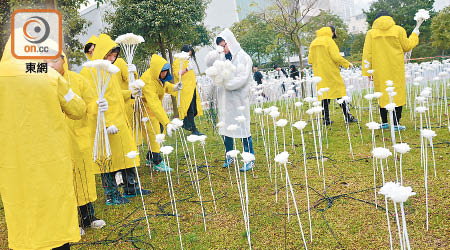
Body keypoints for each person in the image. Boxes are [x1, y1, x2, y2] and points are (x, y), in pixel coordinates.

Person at [0, 37, 86, 250]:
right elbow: (78, 109)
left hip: (12, 163)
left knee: (20, 205)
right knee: (54, 210)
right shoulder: (48, 76)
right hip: (51, 161)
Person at [80, 34, 150, 205]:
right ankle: (111, 194)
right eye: (109, 55)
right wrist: (107, 123)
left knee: (127, 155)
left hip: (119, 121)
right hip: (104, 124)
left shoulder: (108, 70)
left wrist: (131, 94)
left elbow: (116, 95)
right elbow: (92, 101)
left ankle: (131, 187)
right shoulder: (89, 71)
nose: (112, 59)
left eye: (115, 56)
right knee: (108, 160)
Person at [46, 52, 106, 235]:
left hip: (79, 140)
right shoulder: (44, 84)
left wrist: (99, 105)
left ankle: (88, 217)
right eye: (46, 61)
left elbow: (90, 103)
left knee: (83, 180)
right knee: (64, 183)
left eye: (55, 60)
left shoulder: (78, 81)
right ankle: (72, 222)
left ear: (64, 61)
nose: (51, 65)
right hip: (56, 142)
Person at [205, 28, 255, 172]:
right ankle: (229, 155)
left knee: (243, 128)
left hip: (239, 100)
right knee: (226, 128)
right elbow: (208, 63)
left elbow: (241, 79)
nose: (223, 48)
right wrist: (217, 52)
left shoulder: (243, 58)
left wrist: (224, 82)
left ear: (231, 42)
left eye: (224, 45)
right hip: (224, 100)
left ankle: (249, 158)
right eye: (220, 46)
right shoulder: (221, 57)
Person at [362, 11, 419, 131]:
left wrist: (368, 72)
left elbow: (367, 54)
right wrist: (414, 35)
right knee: (397, 92)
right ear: (390, 18)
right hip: (395, 68)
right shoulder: (398, 30)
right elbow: (407, 46)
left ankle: (384, 122)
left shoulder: (371, 33)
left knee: (381, 93)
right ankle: (396, 123)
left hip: (379, 69)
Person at [139, 54, 182, 172]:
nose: (165, 74)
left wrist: (174, 87)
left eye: (166, 71)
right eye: (163, 72)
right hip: (147, 111)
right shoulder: (148, 80)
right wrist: (167, 122)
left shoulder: (158, 76)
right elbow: (154, 104)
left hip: (154, 109)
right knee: (154, 135)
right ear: (157, 70)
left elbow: (164, 85)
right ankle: (158, 162)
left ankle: (150, 158)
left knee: (156, 132)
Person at [308, 26, 357, 125]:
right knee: (340, 93)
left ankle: (326, 119)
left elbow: (310, 60)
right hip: (331, 72)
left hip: (319, 74)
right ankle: (347, 116)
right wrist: (347, 64)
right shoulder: (329, 41)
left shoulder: (313, 42)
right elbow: (336, 57)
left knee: (324, 96)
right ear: (332, 32)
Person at [173, 44, 204, 136]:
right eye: (188, 54)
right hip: (185, 90)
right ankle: (194, 130)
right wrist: (186, 69)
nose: (189, 56)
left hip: (192, 88)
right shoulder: (178, 61)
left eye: (190, 55)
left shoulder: (187, 61)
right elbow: (176, 74)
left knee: (194, 109)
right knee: (190, 109)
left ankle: (186, 123)